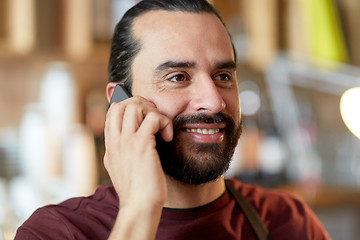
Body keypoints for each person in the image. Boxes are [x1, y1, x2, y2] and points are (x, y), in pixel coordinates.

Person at [15, 0, 331, 239]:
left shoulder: (289, 222)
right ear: (119, 101)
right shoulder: (55, 232)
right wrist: (140, 210)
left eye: (223, 76)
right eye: (178, 77)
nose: (213, 100)